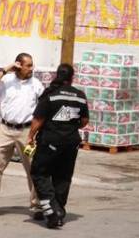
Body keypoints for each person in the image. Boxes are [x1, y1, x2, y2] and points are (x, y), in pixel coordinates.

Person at [0, 52, 45, 221]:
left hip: (26, 132)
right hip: (5, 130)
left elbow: (43, 108)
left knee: (33, 170)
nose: (32, 68)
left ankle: (37, 206)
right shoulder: (6, 80)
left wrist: (35, 133)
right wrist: (6, 69)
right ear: (18, 65)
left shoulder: (36, 84)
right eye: (28, 65)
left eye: (32, 64)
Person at [29, 64, 89, 229]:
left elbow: (38, 120)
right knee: (63, 177)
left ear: (57, 75)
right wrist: (70, 126)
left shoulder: (50, 94)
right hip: (71, 143)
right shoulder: (80, 96)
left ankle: (52, 211)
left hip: (50, 142)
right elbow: (84, 121)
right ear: (72, 77)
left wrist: (30, 136)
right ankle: (60, 212)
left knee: (39, 173)